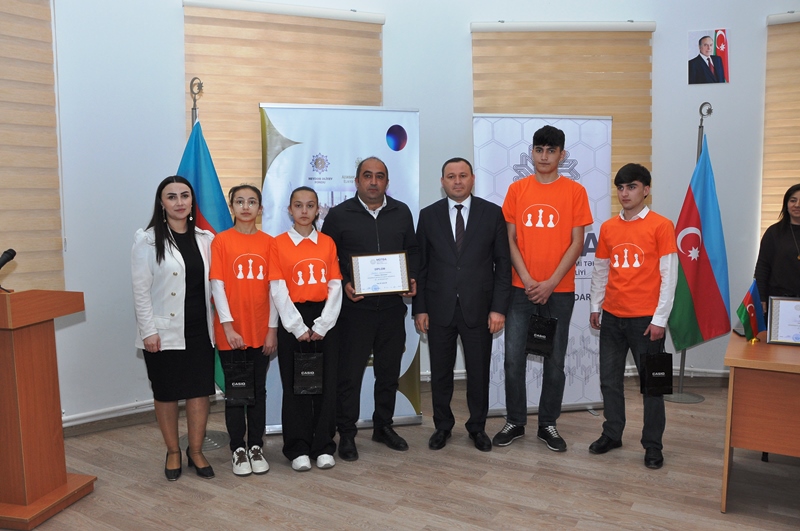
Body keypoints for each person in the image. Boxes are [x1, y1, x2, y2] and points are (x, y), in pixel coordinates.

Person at [493, 125, 593, 452]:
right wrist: (527, 279)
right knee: (513, 359)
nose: (545, 156)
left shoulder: (575, 192)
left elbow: (577, 243)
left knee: (554, 360)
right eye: (539, 150)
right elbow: (509, 239)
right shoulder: (517, 190)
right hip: (520, 290)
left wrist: (550, 283)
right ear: (532, 153)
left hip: (559, 291)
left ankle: (548, 423)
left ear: (562, 155)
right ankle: (515, 420)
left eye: (551, 150)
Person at [321, 156, 419, 461]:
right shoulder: (338, 215)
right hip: (355, 312)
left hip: (391, 309)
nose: (373, 181)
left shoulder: (401, 212)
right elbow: (327, 258)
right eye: (367, 176)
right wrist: (345, 283)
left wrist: (410, 278)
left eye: (379, 176)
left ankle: (383, 426)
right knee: (349, 376)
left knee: (388, 373)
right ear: (357, 181)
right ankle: (347, 433)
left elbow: (413, 251)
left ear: (387, 182)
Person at [413, 157, 511, 452]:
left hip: (479, 309)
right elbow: (421, 266)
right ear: (442, 181)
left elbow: (502, 265)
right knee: (440, 373)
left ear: (472, 179)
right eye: (451, 176)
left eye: (463, 175)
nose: (457, 181)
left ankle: (477, 427)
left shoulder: (492, 213)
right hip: (438, 308)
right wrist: (420, 308)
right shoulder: (428, 215)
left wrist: (498, 308)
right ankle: (442, 426)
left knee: (478, 373)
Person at [588, 163, 678, 469]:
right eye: (621, 188)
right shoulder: (608, 227)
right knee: (609, 381)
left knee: (653, 386)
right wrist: (595, 306)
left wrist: (660, 320)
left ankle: (653, 445)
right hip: (612, 317)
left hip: (646, 322)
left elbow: (669, 276)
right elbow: (601, 269)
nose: (625, 193)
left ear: (646, 190)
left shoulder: (662, 225)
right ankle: (612, 433)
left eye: (632, 187)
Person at [131, 175, 216, 481]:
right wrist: (148, 331)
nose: (179, 202)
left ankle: (196, 450)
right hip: (162, 332)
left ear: (192, 201)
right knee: (166, 393)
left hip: (199, 329)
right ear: (162, 203)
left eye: (185, 196)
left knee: (199, 392)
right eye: (172, 197)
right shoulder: (147, 240)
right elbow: (140, 291)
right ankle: (173, 451)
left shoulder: (206, 239)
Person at [269, 186, 342, 471]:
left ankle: (323, 445)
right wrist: (296, 326)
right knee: (295, 385)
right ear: (289, 210)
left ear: (318, 210)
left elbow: (335, 285)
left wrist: (323, 324)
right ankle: (297, 447)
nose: (304, 211)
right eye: (298, 205)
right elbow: (277, 288)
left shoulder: (327, 243)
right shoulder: (278, 244)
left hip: (325, 318)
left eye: (310, 205)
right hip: (293, 319)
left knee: (326, 384)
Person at [210, 184, 277, 476]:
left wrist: (272, 329)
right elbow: (217, 285)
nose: (246, 207)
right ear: (232, 207)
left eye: (252, 202)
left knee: (258, 391)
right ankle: (238, 448)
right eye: (240, 201)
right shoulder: (221, 241)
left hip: (261, 330)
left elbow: (276, 290)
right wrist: (228, 327)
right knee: (236, 392)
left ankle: (256, 446)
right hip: (231, 333)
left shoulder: (270, 243)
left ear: (260, 209)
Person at [754, 183, 800, 315]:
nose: (797, 205)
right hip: (778, 302)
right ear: (786, 204)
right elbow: (763, 267)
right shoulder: (774, 232)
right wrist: (761, 297)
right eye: (793, 200)